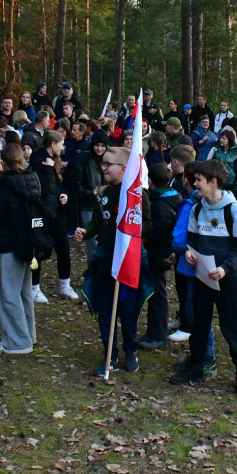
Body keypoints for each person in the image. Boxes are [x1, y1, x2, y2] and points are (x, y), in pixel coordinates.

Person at [167, 159, 237, 393]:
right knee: (199, 322)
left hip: (226, 278)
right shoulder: (197, 208)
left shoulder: (233, 210)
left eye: (199, 181)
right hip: (202, 277)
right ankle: (197, 366)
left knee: (230, 324)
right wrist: (189, 252)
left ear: (214, 182)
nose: (195, 185)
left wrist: (225, 268)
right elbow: (191, 240)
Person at [74, 147, 154, 376]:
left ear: (123, 169)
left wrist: (129, 227)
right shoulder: (105, 193)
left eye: (108, 164)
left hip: (128, 261)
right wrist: (85, 232)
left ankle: (131, 350)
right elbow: (98, 223)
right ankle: (110, 354)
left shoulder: (137, 194)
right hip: (105, 259)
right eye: (103, 163)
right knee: (106, 309)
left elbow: (148, 225)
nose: (103, 167)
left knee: (127, 309)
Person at [0, 144, 41, 355]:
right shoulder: (32, 182)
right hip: (28, 242)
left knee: (9, 294)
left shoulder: (2, 188)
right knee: (24, 292)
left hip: (9, 244)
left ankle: (17, 342)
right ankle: (28, 334)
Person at [139, 164, 181, 350]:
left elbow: (160, 231)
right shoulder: (169, 197)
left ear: (151, 182)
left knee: (157, 294)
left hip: (159, 253)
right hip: (160, 251)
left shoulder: (161, 204)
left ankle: (158, 334)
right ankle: (153, 331)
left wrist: (146, 236)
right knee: (154, 292)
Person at [29, 131, 75, 302]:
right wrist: (48, 169)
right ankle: (34, 288)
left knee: (63, 246)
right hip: (41, 211)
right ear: (53, 144)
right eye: (61, 143)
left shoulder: (53, 161)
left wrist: (63, 194)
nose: (63, 147)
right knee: (40, 249)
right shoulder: (38, 160)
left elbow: (56, 184)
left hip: (54, 210)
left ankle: (65, 285)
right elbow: (42, 186)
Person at [76, 132, 108, 261]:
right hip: (89, 204)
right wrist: (91, 193)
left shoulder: (108, 159)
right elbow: (78, 185)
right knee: (92, 241)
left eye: (102, 146)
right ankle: (93, 272)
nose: (99, 149)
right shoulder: (85, 159)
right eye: (96, 145)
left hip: (106, 202)